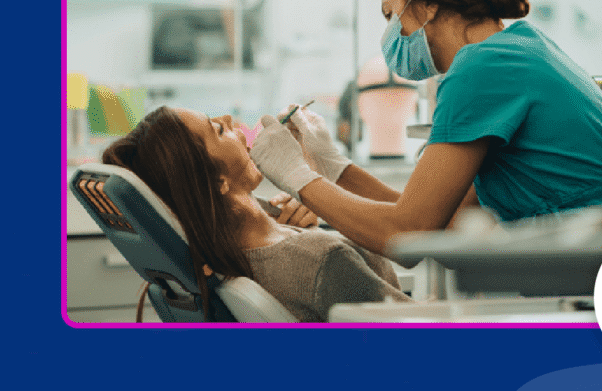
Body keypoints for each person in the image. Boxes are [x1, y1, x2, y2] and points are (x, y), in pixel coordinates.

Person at [251, 0, 602, 257]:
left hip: (596, 267)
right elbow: (437, 215)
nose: (389, 35)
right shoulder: (522, 47)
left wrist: (297, 177)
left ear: (428, 6)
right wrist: (333, 167)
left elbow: (407, 233)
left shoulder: (481, 68)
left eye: (391, 15)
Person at [101, 106, 411, 322]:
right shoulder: (321, 259)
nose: (229, 120)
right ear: (218, 181)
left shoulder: (230, 257)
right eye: (219, 130)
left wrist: (316, 192)